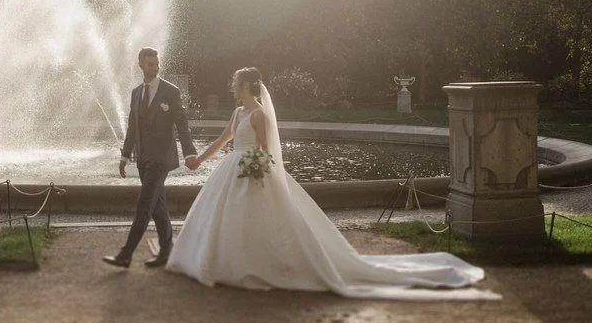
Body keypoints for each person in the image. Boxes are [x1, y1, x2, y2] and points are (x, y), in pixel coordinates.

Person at [165, 67, 500, 301]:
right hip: (230, 170)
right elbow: (224, 140)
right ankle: (226, 263)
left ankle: (257, 266)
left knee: (259, 221)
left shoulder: (258, 116)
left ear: (248, 86)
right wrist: (199, 159)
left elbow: (267, 153)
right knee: (225, 219)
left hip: (252, 173)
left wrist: (257, 169)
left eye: (236, 82)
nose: (232, 86)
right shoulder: (238, 114)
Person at [103, 47, 199, 268]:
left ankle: (125, 254)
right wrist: (125, 156)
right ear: (140, 65)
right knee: (158, 206)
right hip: (143, 158)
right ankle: (166, 251)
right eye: (150, 64)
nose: (154, 68)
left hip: (161, 159)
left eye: (156, 64)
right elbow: (132, 127)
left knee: (144, 205)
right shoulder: (136, 92)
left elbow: (182, 125)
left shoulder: (171, 92)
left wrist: (190, 153)